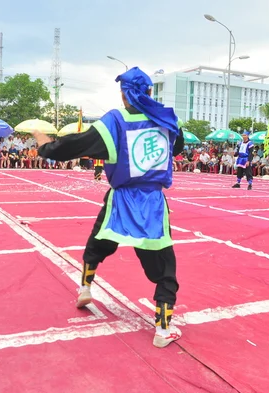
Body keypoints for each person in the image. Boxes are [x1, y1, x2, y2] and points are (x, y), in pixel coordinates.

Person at [33, 67, 184, 348]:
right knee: (164, 268)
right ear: (150, 93)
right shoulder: (167, 119)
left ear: (124, 96)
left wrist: (44, 146)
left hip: (122, 199)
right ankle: (163, 330)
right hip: (152, 204)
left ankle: (85, 288)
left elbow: (74, 146)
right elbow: (177, 148)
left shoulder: (115, 121)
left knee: (98, 241)